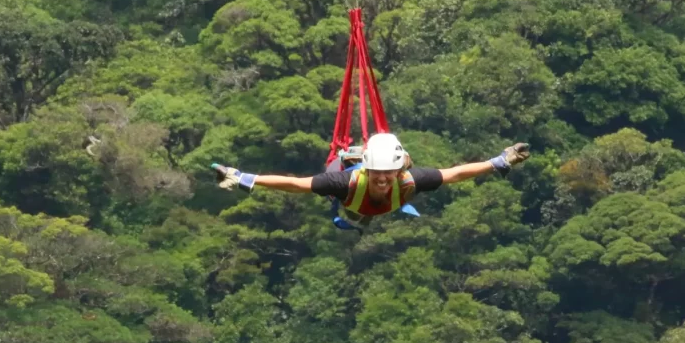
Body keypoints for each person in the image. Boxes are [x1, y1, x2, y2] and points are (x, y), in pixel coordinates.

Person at [212, 133, 531, 230]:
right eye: (376, 174)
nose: (381, 179)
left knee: (390, 194)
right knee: (337, 183)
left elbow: (456, 173)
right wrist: (243, 179)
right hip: (347, 184)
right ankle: (349, 156)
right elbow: (295, 185)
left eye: (386, 174)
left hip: (373, 198)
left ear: (396, 171)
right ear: (368, 170)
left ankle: (357, 161)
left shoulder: (408, 180)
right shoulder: (342, 184)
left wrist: (498, 162)